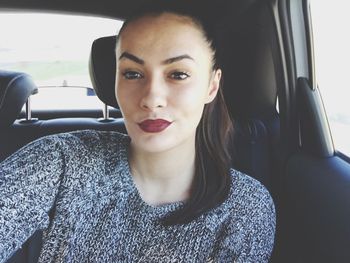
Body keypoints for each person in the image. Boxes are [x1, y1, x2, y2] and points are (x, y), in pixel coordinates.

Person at [0, 1, 275, 262]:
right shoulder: (62, 162)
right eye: (132, 73)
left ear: (211, 86)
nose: (151, 98)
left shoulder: (246, 208)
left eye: (178, 74)